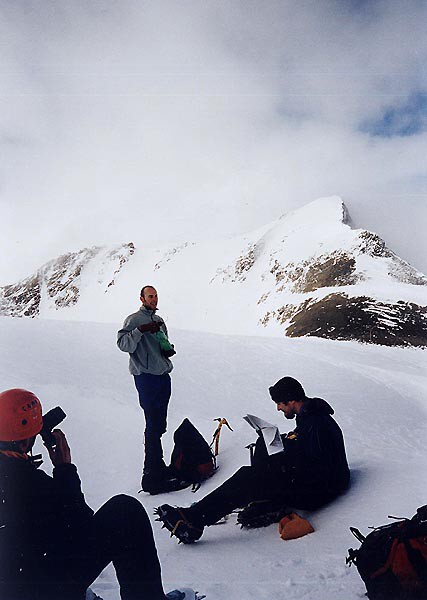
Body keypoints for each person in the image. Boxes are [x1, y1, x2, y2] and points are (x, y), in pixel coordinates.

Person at [0, 388, 197, 600]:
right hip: (34, 589)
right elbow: (79, 528)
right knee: (125, 512)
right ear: (23, 443)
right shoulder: (30, 484)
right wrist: (65, 469)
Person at [156, 376, 350, 544]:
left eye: (280, 403)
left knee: (248, 477)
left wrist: (284, 461)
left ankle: (194, 521)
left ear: (291, 401)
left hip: (320, 491)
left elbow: (316, 466)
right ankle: (262, 497)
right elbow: (309, 449)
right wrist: (283, 444)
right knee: (263, 446)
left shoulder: (316, 422)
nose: (278, 408)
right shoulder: (311, 416)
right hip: (318, 482)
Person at [117, 285, 178, 494]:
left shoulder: (159, 320)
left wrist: (166, 350)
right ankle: (151, 476)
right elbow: (123, 344)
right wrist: (140, 331)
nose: (154, 299)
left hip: (162, 377)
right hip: (146, 378)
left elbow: (161, 345)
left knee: (159, 425)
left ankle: (158, 469)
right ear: (141, 298)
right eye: (150, 296)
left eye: (155, 296)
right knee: (152, 425)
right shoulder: (134, 320)